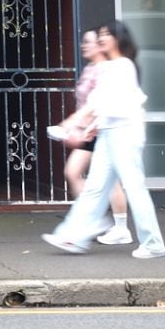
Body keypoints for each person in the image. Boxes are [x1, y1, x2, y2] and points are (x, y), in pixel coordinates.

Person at [42, 19, 165, 259]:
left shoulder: (123, 66)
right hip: (110, 133)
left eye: (106, 34)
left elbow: (102, 103)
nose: (101, 38)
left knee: (133, 187)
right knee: (95, 188)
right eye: (100, 34)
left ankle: (153, 244)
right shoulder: (111, 67)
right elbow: (104, 105)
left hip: (124, 133)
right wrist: (91, 127)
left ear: (118, 38)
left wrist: (70, 124)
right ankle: (74, 237)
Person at [50, 30, 130, 245]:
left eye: (89, 42)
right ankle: (92, 221)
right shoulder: (91, 68)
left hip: (100, 131)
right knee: (74, 172)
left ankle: (116, 227)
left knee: (109, 182)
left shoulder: (106, 69)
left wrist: (72, 125)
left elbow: (99, 105)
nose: (83, 45)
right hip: (89, 132)